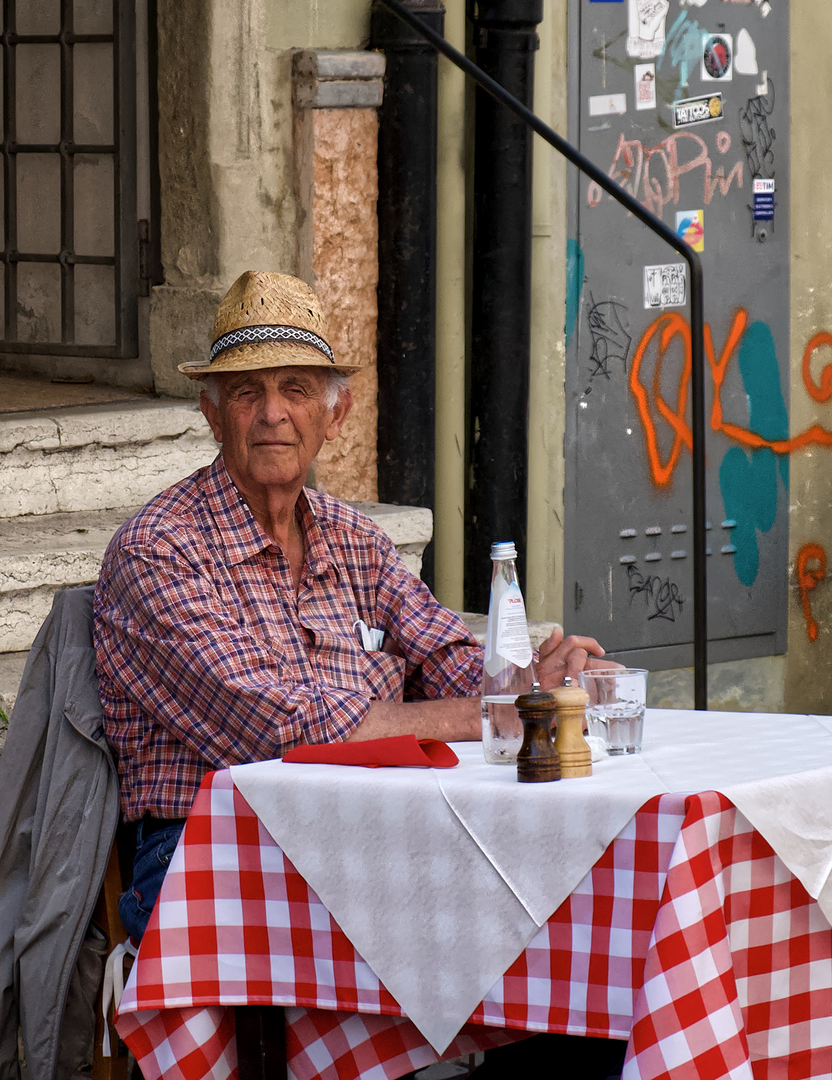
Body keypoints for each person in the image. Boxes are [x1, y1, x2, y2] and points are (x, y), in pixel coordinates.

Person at [93, 270, 615, 945]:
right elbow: (280, 730)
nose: (273, 413)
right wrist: (494, 711)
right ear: (211, 413)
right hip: (211, 846)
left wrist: (537, 680)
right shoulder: (159, 551)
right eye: (247, 392)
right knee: (455, 924)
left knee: (568, 911)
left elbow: (447, 657)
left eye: (297, 391)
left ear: (333, 416)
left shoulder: (351, 536)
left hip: (373, 825)